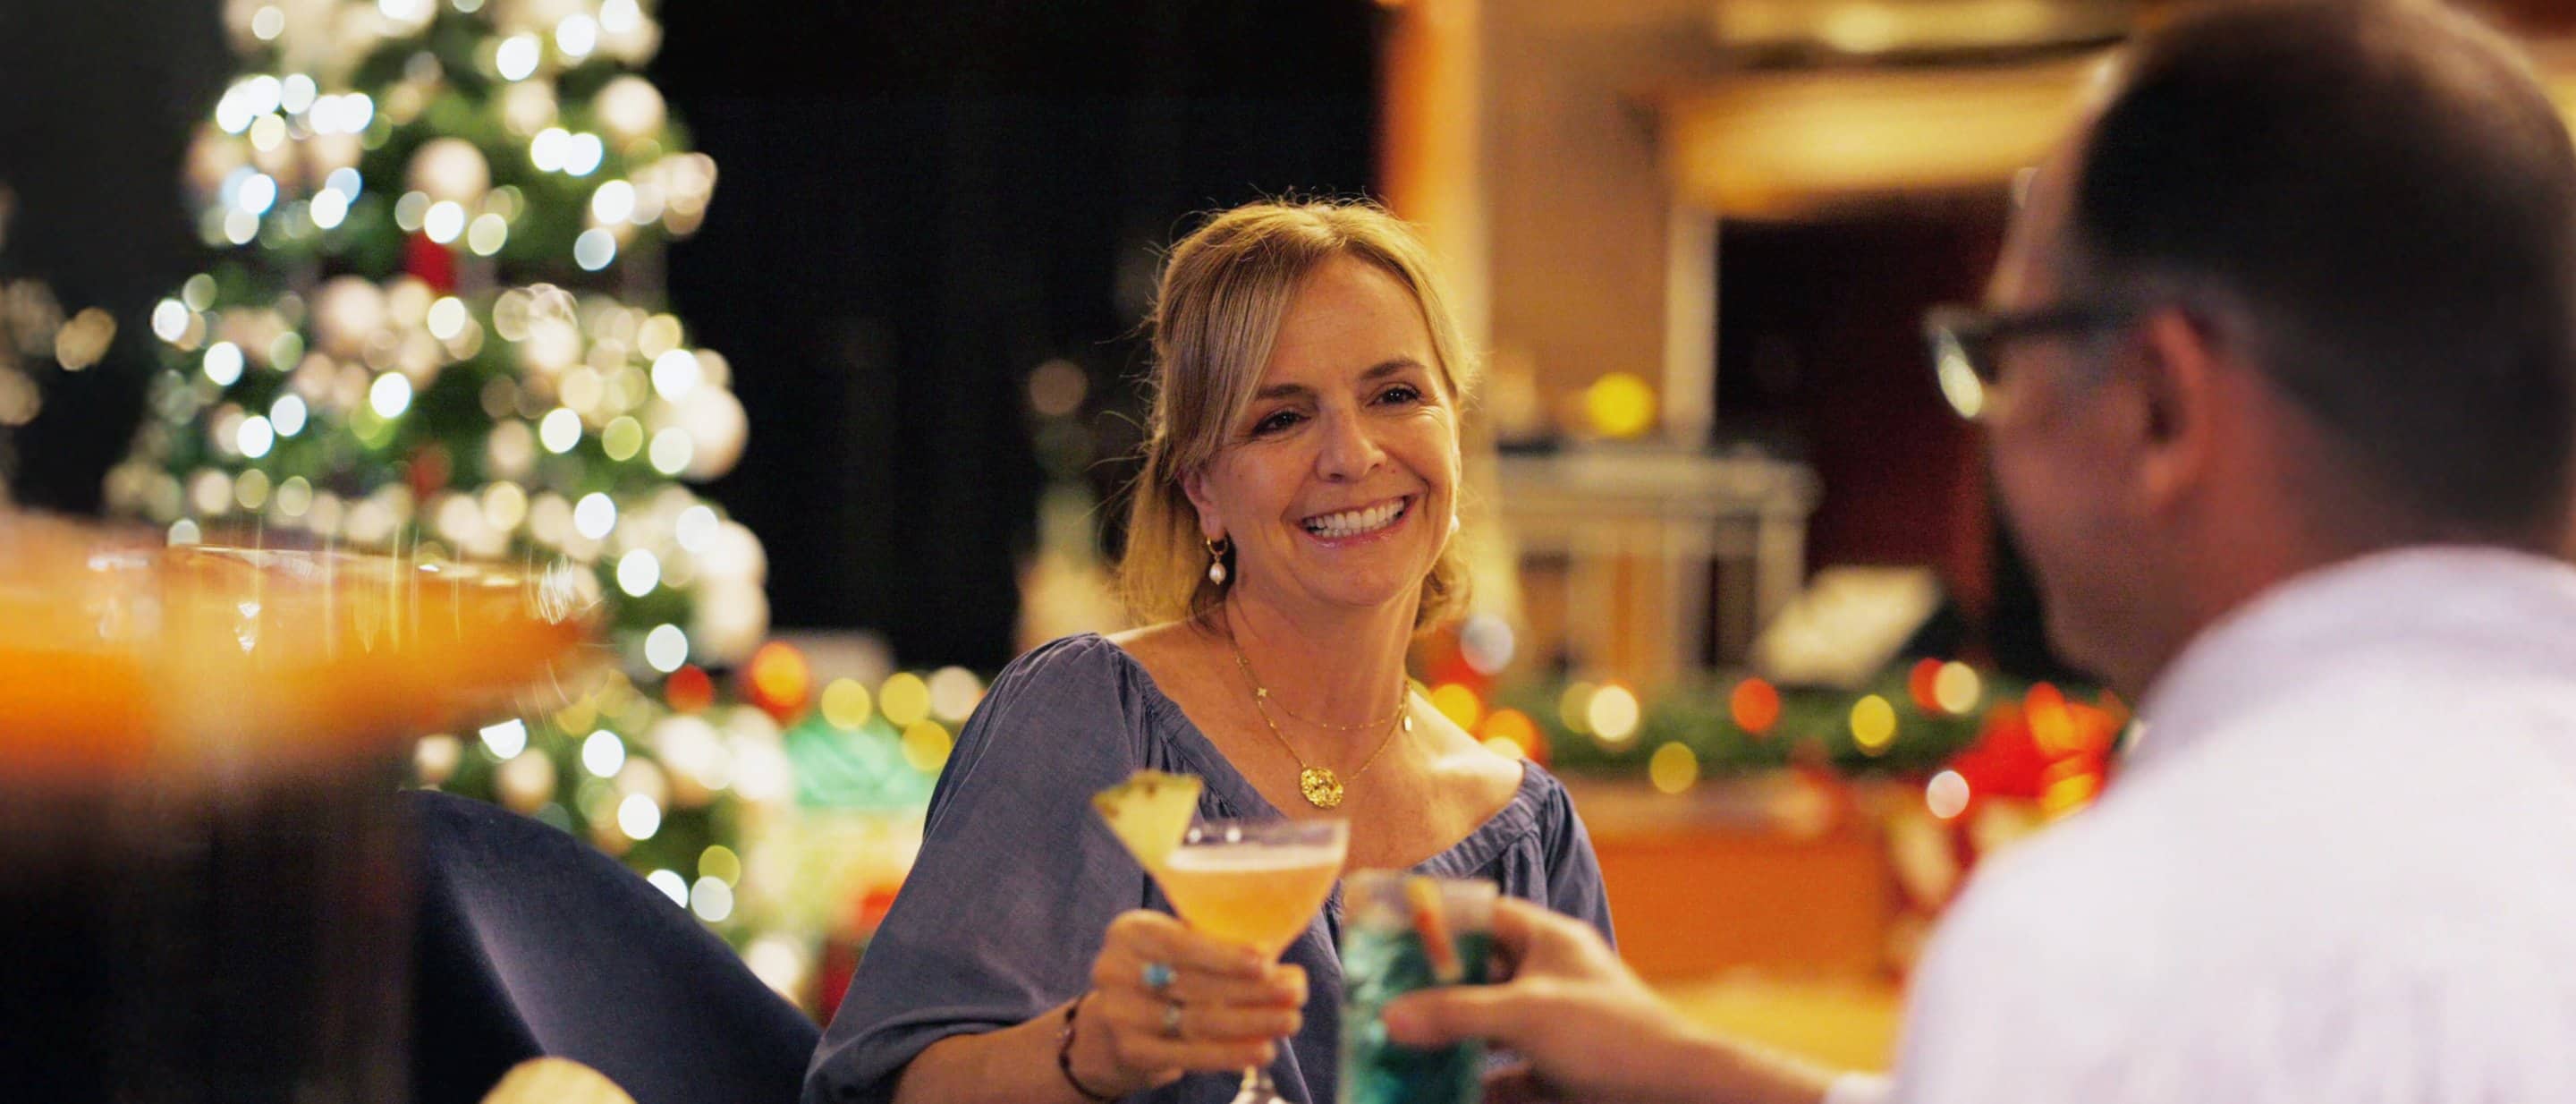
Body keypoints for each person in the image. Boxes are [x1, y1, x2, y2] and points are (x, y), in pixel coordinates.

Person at [1382, 2, 2576, 1101]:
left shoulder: (2107, 949)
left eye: (2002, 351)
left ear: (2159, 405)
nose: (1991, 420)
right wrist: (1697, 1067)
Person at [804, 200, 1614, 1104]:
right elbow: (886, 1091)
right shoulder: (1093, 719)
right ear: (1203, 491)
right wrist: (1086, 1051)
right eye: (1280, 419)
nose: (1352, 454)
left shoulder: (1525, 832)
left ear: (1453, 435)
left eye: (1396, 395)